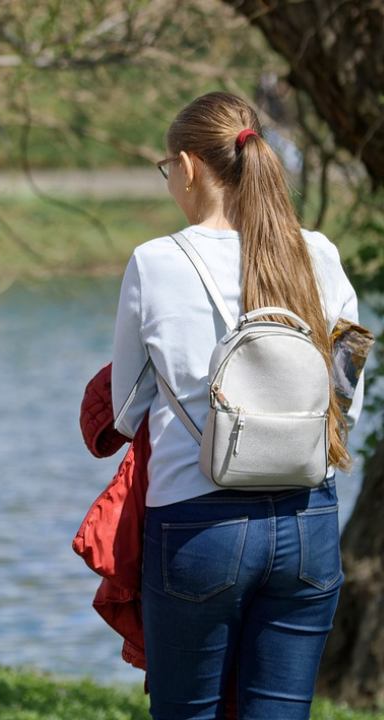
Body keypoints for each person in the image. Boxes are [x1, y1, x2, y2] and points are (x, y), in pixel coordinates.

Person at [111, 91, 363, 720]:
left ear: (190, 166)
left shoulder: (156, 262)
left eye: (167, 169)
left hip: (199, 525)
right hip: (309, 520)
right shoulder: (321, 254)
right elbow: (344, 395)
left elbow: (123, 410)